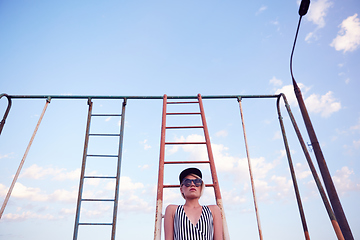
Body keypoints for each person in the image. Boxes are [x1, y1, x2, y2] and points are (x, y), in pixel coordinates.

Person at [164, 167, 223, 240]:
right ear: (181, 189)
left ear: (201, 187)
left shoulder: (213, 210)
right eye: (187, 182)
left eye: (197, 182)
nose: (192, 184)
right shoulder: (172, 210)